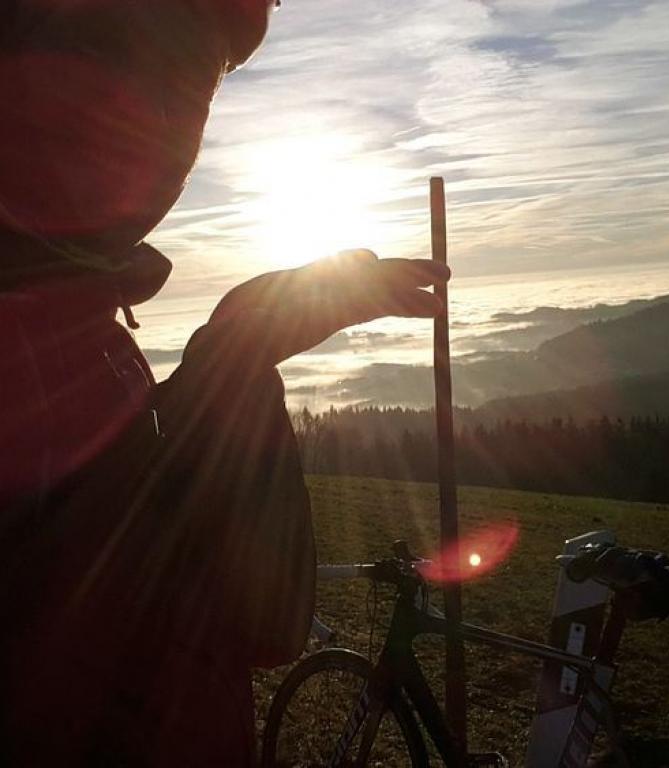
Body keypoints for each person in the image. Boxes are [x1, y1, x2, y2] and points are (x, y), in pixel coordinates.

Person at [0, 1, 449, 764]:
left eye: (191, 82)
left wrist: (234, 356)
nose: (145, 116)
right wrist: (230, 359)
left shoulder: (82, 329)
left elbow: (244, 619)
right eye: (97, 44)